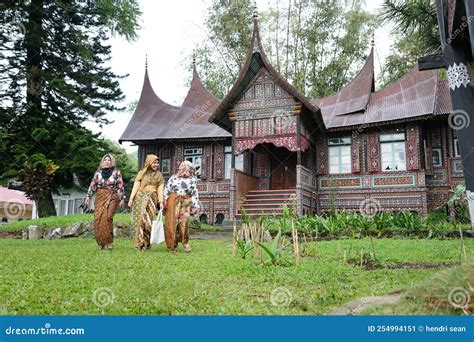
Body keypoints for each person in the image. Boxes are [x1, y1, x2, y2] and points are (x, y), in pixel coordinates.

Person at [85, 154, 125, 250]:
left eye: (109, 160)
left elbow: (120, 186)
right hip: (100, 197)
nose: (107, 161)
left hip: (112, 196)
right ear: (102, 162)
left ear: (112, 162)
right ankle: (101, 242)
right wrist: (88, 197)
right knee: (98, 218)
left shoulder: (116, 173)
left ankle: (109, 241)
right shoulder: (97, 173)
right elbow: (92, 186)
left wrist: (122, 199)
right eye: (105, 160)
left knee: (108, 217)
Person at [128, 154, 164, 251]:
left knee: (148, 221)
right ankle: (140, 243)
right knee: (139, 220)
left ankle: (147, 243)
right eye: (154, 162)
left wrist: (161, 201)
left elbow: (160, 188)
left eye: (157, 162)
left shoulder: (159, 175)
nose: (156, 164)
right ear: (149, 162)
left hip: (152, 198)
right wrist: (131, 198)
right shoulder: (141, 173)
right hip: (140, 198)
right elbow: (136, 186)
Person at [163, 160, 200, 252]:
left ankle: (185, 242)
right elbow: (167, 189)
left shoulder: (192, 179)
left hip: (185, 202)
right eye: (180, 165)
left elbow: (195, 193)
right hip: (173, 201)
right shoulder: (173, 177)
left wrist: (196, 205)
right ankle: (174, 245)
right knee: (172, 223)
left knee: (184, 222)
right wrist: (164, 200)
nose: (179, 166)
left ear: (187, 168)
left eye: (182, 165)